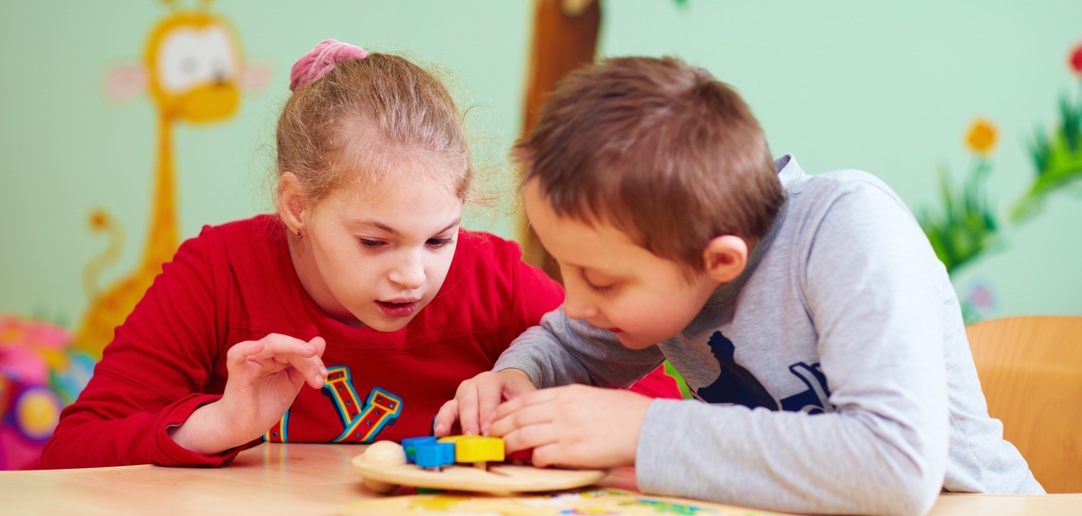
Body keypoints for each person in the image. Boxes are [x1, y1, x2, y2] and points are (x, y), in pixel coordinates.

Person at [435, 56, 1044, 515]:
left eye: (600, 280)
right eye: (565, 268)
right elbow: (568, 347)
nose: (576, 302)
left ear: (719, 260)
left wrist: (640, 430)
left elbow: (897, 469)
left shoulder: (848, 227)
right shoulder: (670, 271)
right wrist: (517, 378)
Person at [40, 39, 566, 468]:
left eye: (439, 239)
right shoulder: (217, 272)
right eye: (374, 242)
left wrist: (534, 398)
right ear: (297, 206)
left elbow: (642, 403)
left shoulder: (493, 278)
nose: (412, 275)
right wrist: (217, 425)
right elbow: (70, 454)